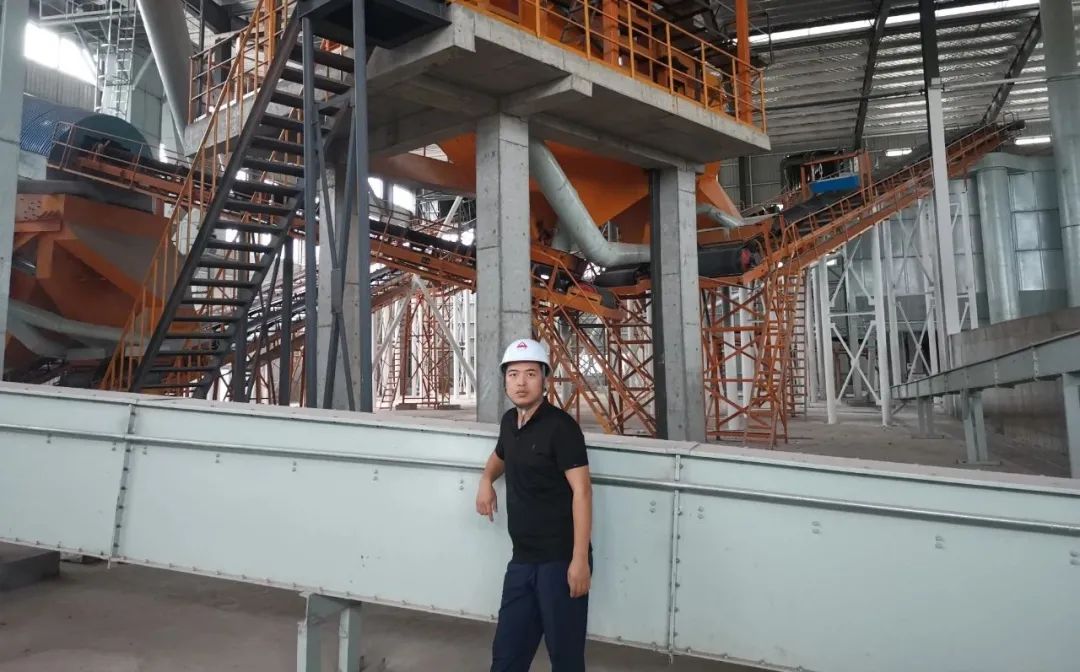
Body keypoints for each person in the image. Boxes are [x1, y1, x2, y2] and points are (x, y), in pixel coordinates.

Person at [476, 338, 593, 672]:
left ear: (545, 379)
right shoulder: (509, 423)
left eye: (530, 373)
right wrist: (486, 480)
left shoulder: (562, 428)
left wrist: (579, 560)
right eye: (513, 374)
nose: (521, 382)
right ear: (505, 380)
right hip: (523, 560)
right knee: (507, 655)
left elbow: (582, 492)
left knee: (566, 658)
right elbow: (500, 456)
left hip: (560, 561)